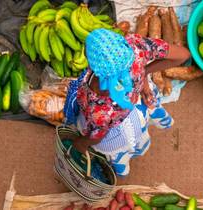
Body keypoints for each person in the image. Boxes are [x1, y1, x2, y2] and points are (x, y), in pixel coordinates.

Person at [62, 29, 190, 176]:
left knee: (117, 150)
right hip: (136, 106)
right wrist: (144, 72)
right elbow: (183, 55)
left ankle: (121, 167)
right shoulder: (135, 46)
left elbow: (97, 137)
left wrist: (81, 145)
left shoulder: (99, 108)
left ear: (94, 66)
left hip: (117, 129)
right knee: (139, 128)